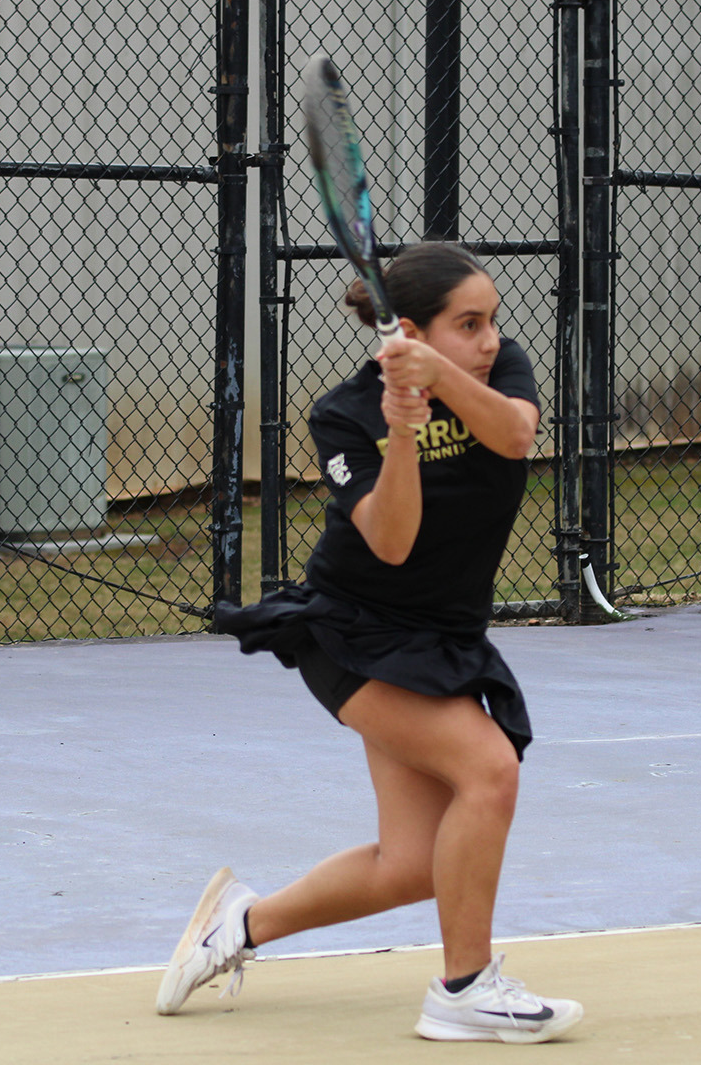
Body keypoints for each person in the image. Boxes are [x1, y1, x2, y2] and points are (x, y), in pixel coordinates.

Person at [155, 242, 582, 1044]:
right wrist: (404, 430)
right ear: (416, 329)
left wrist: (441, 372)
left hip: (445, 631)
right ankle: (464, 988)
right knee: (487, 768)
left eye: (492, 319)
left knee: (414, 863)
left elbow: (518, 436)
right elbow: (390, 541)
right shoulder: (345, 415)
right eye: (470, 323)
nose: (492, 336)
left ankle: (238, 925)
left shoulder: (500, 370)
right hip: (353, 629)